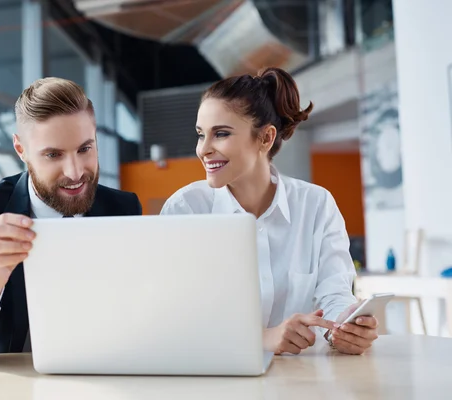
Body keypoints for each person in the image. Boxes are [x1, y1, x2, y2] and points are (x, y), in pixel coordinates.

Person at [160, 68, 378, 356]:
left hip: (303, 382)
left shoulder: (316, 206)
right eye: (201, 135)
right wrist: (263, 338)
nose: (204, 149)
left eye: (221, 134)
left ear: (265, 138)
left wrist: (345, 327)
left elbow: (335, 295)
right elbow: (174, 318)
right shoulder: (185, 210)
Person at [0, 77, 142, 361]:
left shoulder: (123, 208)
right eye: (53, 154)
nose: (75, 172)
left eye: (85, 149)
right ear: (21, 150)